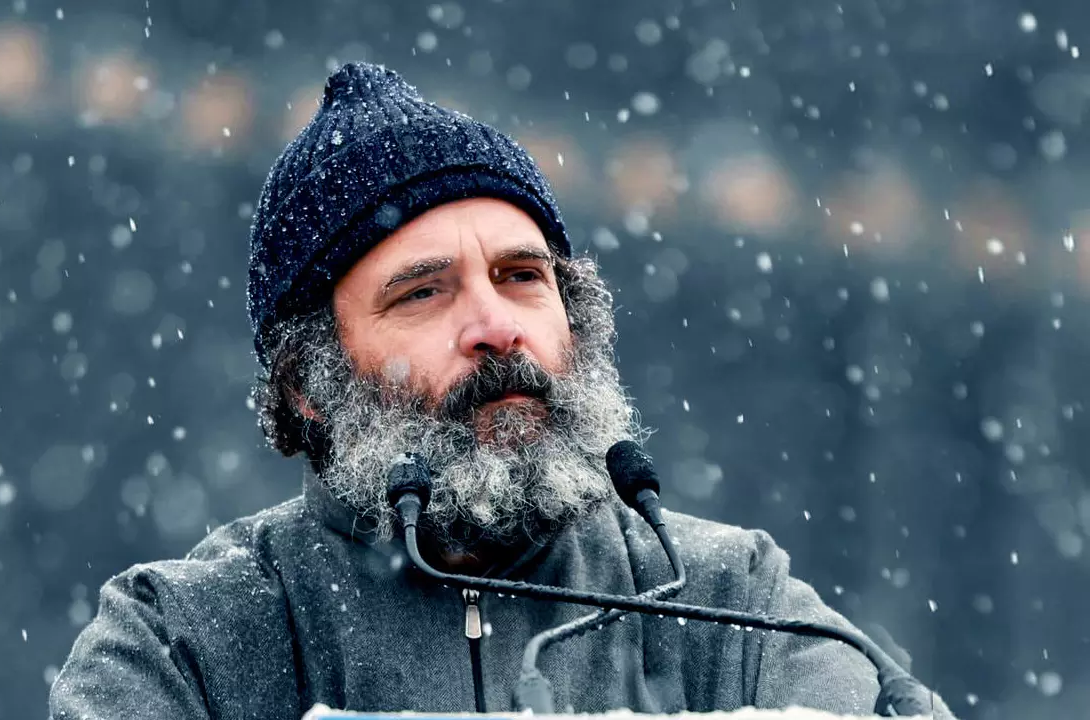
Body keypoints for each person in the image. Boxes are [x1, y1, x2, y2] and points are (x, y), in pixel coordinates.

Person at [49, 62, 955, 718]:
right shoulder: (186, 643)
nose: (495, 324)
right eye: (422, 292)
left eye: (522, 277)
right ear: (307, 383)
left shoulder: (730, 601)